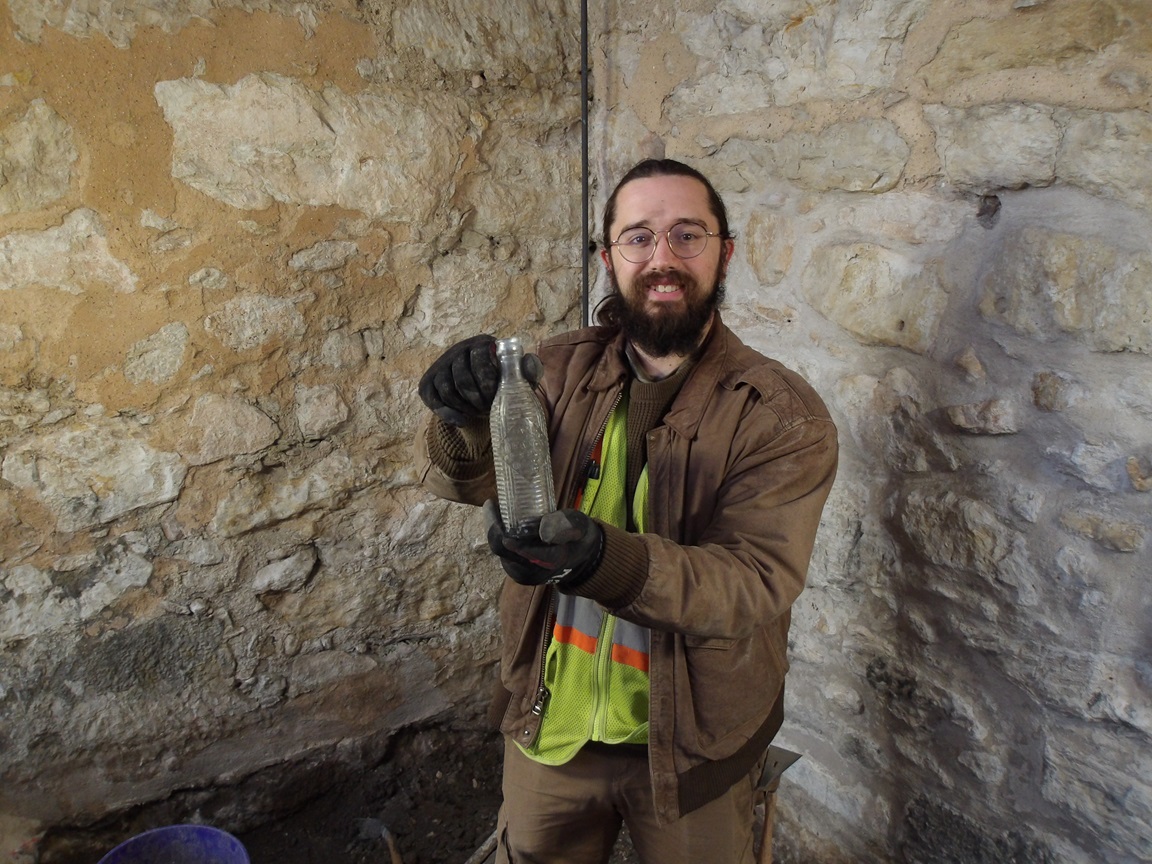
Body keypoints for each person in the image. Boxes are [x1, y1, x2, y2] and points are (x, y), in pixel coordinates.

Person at [414, 158, 838, 864]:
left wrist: (602, 560)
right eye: (638, 238)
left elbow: (754, 581)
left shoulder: (780, 415)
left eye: (687, 235)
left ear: (726, 252)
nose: (662, 259)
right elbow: (470, 482)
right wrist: (461, 418)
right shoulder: (556, 370)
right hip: (554, 719)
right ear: (609, 257)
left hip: (693, 745)